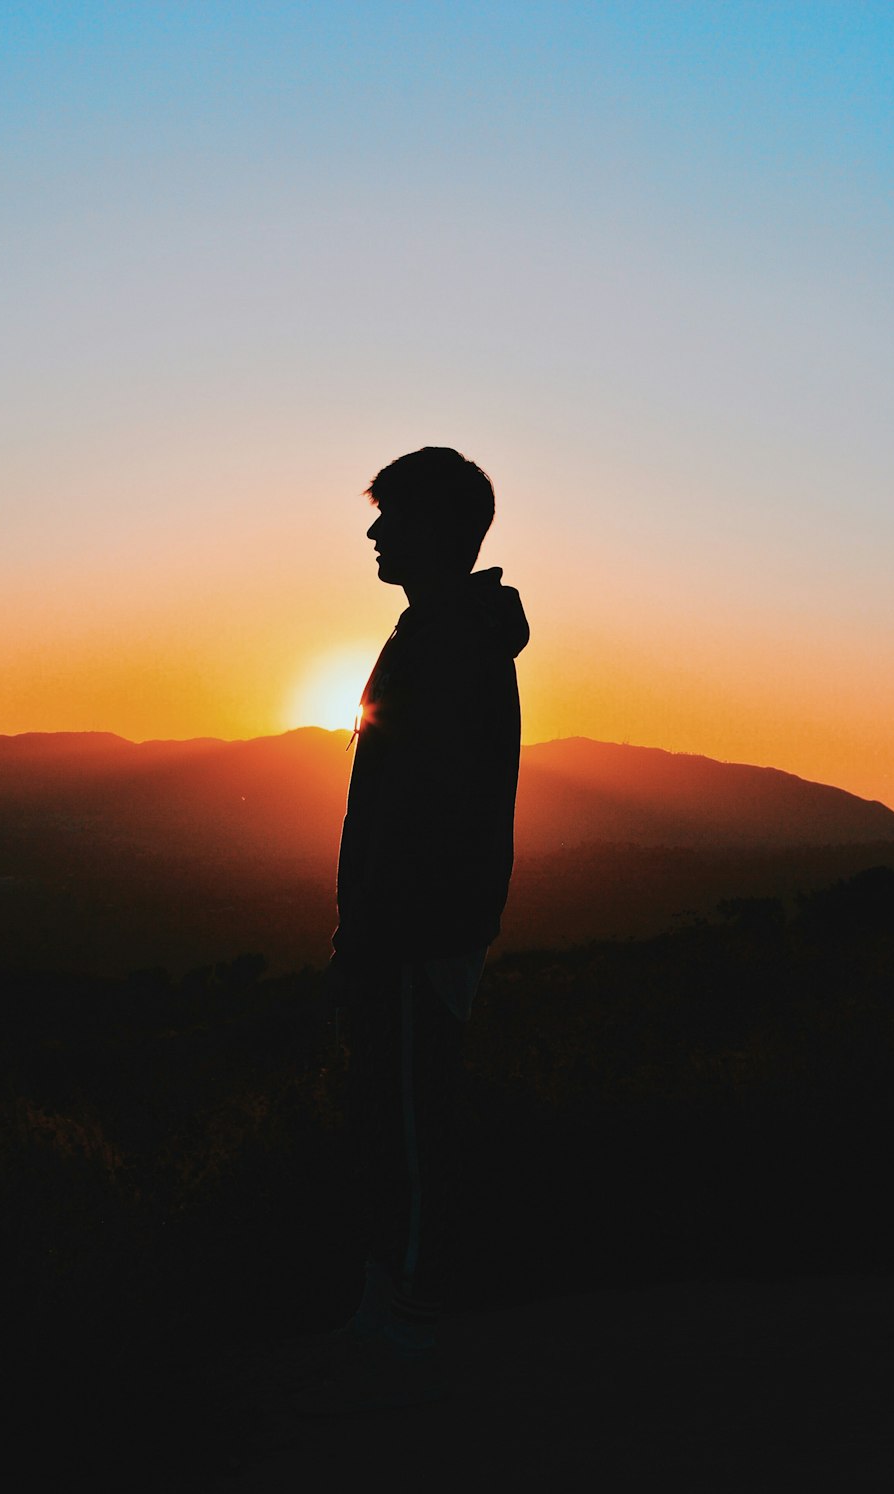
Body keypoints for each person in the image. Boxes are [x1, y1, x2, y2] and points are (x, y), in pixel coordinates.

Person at [293, 446, 529, 1415]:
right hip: (413, 928)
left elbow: (423, 812)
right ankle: (393, 1297)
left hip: (417, 930)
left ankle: (416, 1312)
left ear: (439, 529)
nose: (374, 534)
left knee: (411, 1121)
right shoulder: (442, 632)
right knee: (398, 1114)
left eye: (390, 518)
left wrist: (379, 936)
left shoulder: (448, 642)